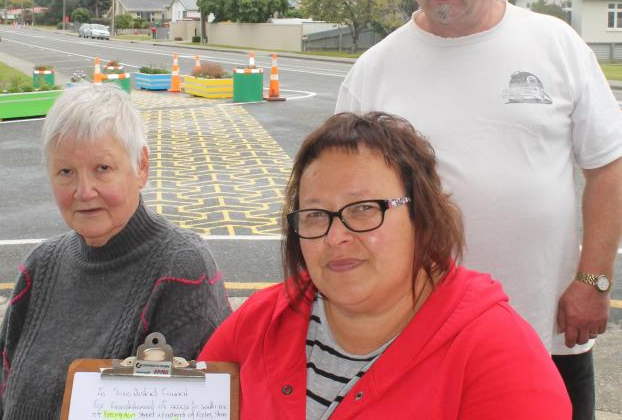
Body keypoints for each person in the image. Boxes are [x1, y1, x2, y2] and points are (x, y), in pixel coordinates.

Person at [335, 0, 622, 418]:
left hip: (547, 329)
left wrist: (593, 281)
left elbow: (608, 168)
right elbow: (342, 198)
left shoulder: (557, 46)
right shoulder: (374, 70)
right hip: (415, 334)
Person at [199, 112, 571, 419]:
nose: (335, 237)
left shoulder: (499, 356)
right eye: (314, 214)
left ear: (422, 216)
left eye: (364, 209)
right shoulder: (260, 323)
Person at [0, 83, 232, 420]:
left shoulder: (183, 270)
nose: (83, 191)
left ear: (141, 167)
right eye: (66, 172)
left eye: (102, 169)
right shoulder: (40, 267)